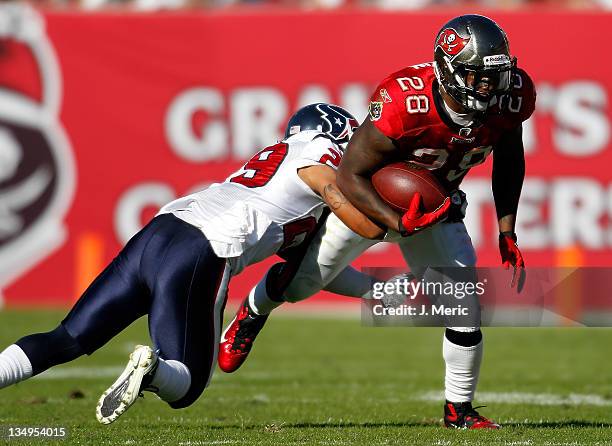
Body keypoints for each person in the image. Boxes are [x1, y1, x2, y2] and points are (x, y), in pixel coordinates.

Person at [219, 14, 535, 430]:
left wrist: (506, 229)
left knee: (463, 302)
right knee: (301, 285)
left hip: (434, 205)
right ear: (446, 68)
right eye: (476, 77)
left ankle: (459, 410)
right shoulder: (406, 101)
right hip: (371, 197)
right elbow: (350, 173)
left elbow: (510, 159)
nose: (487, 88)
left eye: (493, 76)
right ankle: (253, 312)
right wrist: (396, 220)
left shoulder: (512, 96)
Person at [0, 103, 390, 425]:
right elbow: (322, 178)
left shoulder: (274, 160)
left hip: (161, 230)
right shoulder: (321, 148)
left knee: (66, 338)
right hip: (205, 246)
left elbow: (312, 272)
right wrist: (381, 224)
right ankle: (152, 371)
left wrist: (381, 289)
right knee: (186, 387)